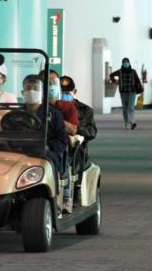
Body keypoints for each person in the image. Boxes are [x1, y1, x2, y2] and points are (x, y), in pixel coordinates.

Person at [20, 74, 67, 204]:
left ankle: (54, 198)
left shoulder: (54, 114)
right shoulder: (15, 115)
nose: (31, 91)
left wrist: (47, 147)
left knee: (50, 159)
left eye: (35, 88)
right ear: (22, 92)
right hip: (20, 151)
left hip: (44, 151)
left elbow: (62, 140)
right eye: (28, 88)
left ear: (42, 92)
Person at [40, 69, 80, 213]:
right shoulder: (36, 106)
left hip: (60, 145)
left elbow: (73, 130)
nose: (51, 85)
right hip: (38, 144)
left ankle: (66, 196)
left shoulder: (67, 106)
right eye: (48, 83)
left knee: (60, 159)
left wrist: (56, 119)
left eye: (53, 82)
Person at [60, 75, 98, 208]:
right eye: (62, 93)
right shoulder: (54, 108)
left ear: (74, 92)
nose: (64, 96)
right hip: (62, 143)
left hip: (79, 147)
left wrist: (77, 130)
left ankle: (77, 188)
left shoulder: (85, 110)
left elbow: (92, 132)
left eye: (67, 93)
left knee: (77, 149)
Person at [109, 57, 143, 130]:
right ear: (122, 63)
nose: (126, 63)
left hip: (132, 92)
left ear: (129, 63)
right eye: (124, 62)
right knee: (125, 108)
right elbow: (111, 75)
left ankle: (132, 121)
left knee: (131, 107)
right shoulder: (120, 71)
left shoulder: (133, 71)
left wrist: (141, 89)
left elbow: (138, 80)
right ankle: (126, 123)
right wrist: (115, 81)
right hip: (123, 92)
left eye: (127, 62)